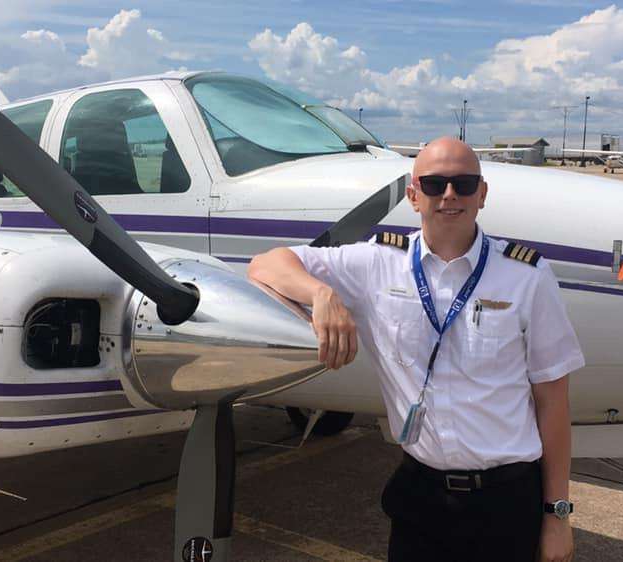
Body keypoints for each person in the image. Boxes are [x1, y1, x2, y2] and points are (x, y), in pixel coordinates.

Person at [248, 137, 585, 562]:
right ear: (413, 195)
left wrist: (557, 515)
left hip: (506, 502)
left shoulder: (527, 277)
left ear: (481, 195)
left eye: (463, 184)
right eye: (434, 184)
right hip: (420, 499)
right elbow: (266, 263)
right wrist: (321, 295)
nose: (449, 195)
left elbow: (553, 401)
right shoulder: (377, 263)